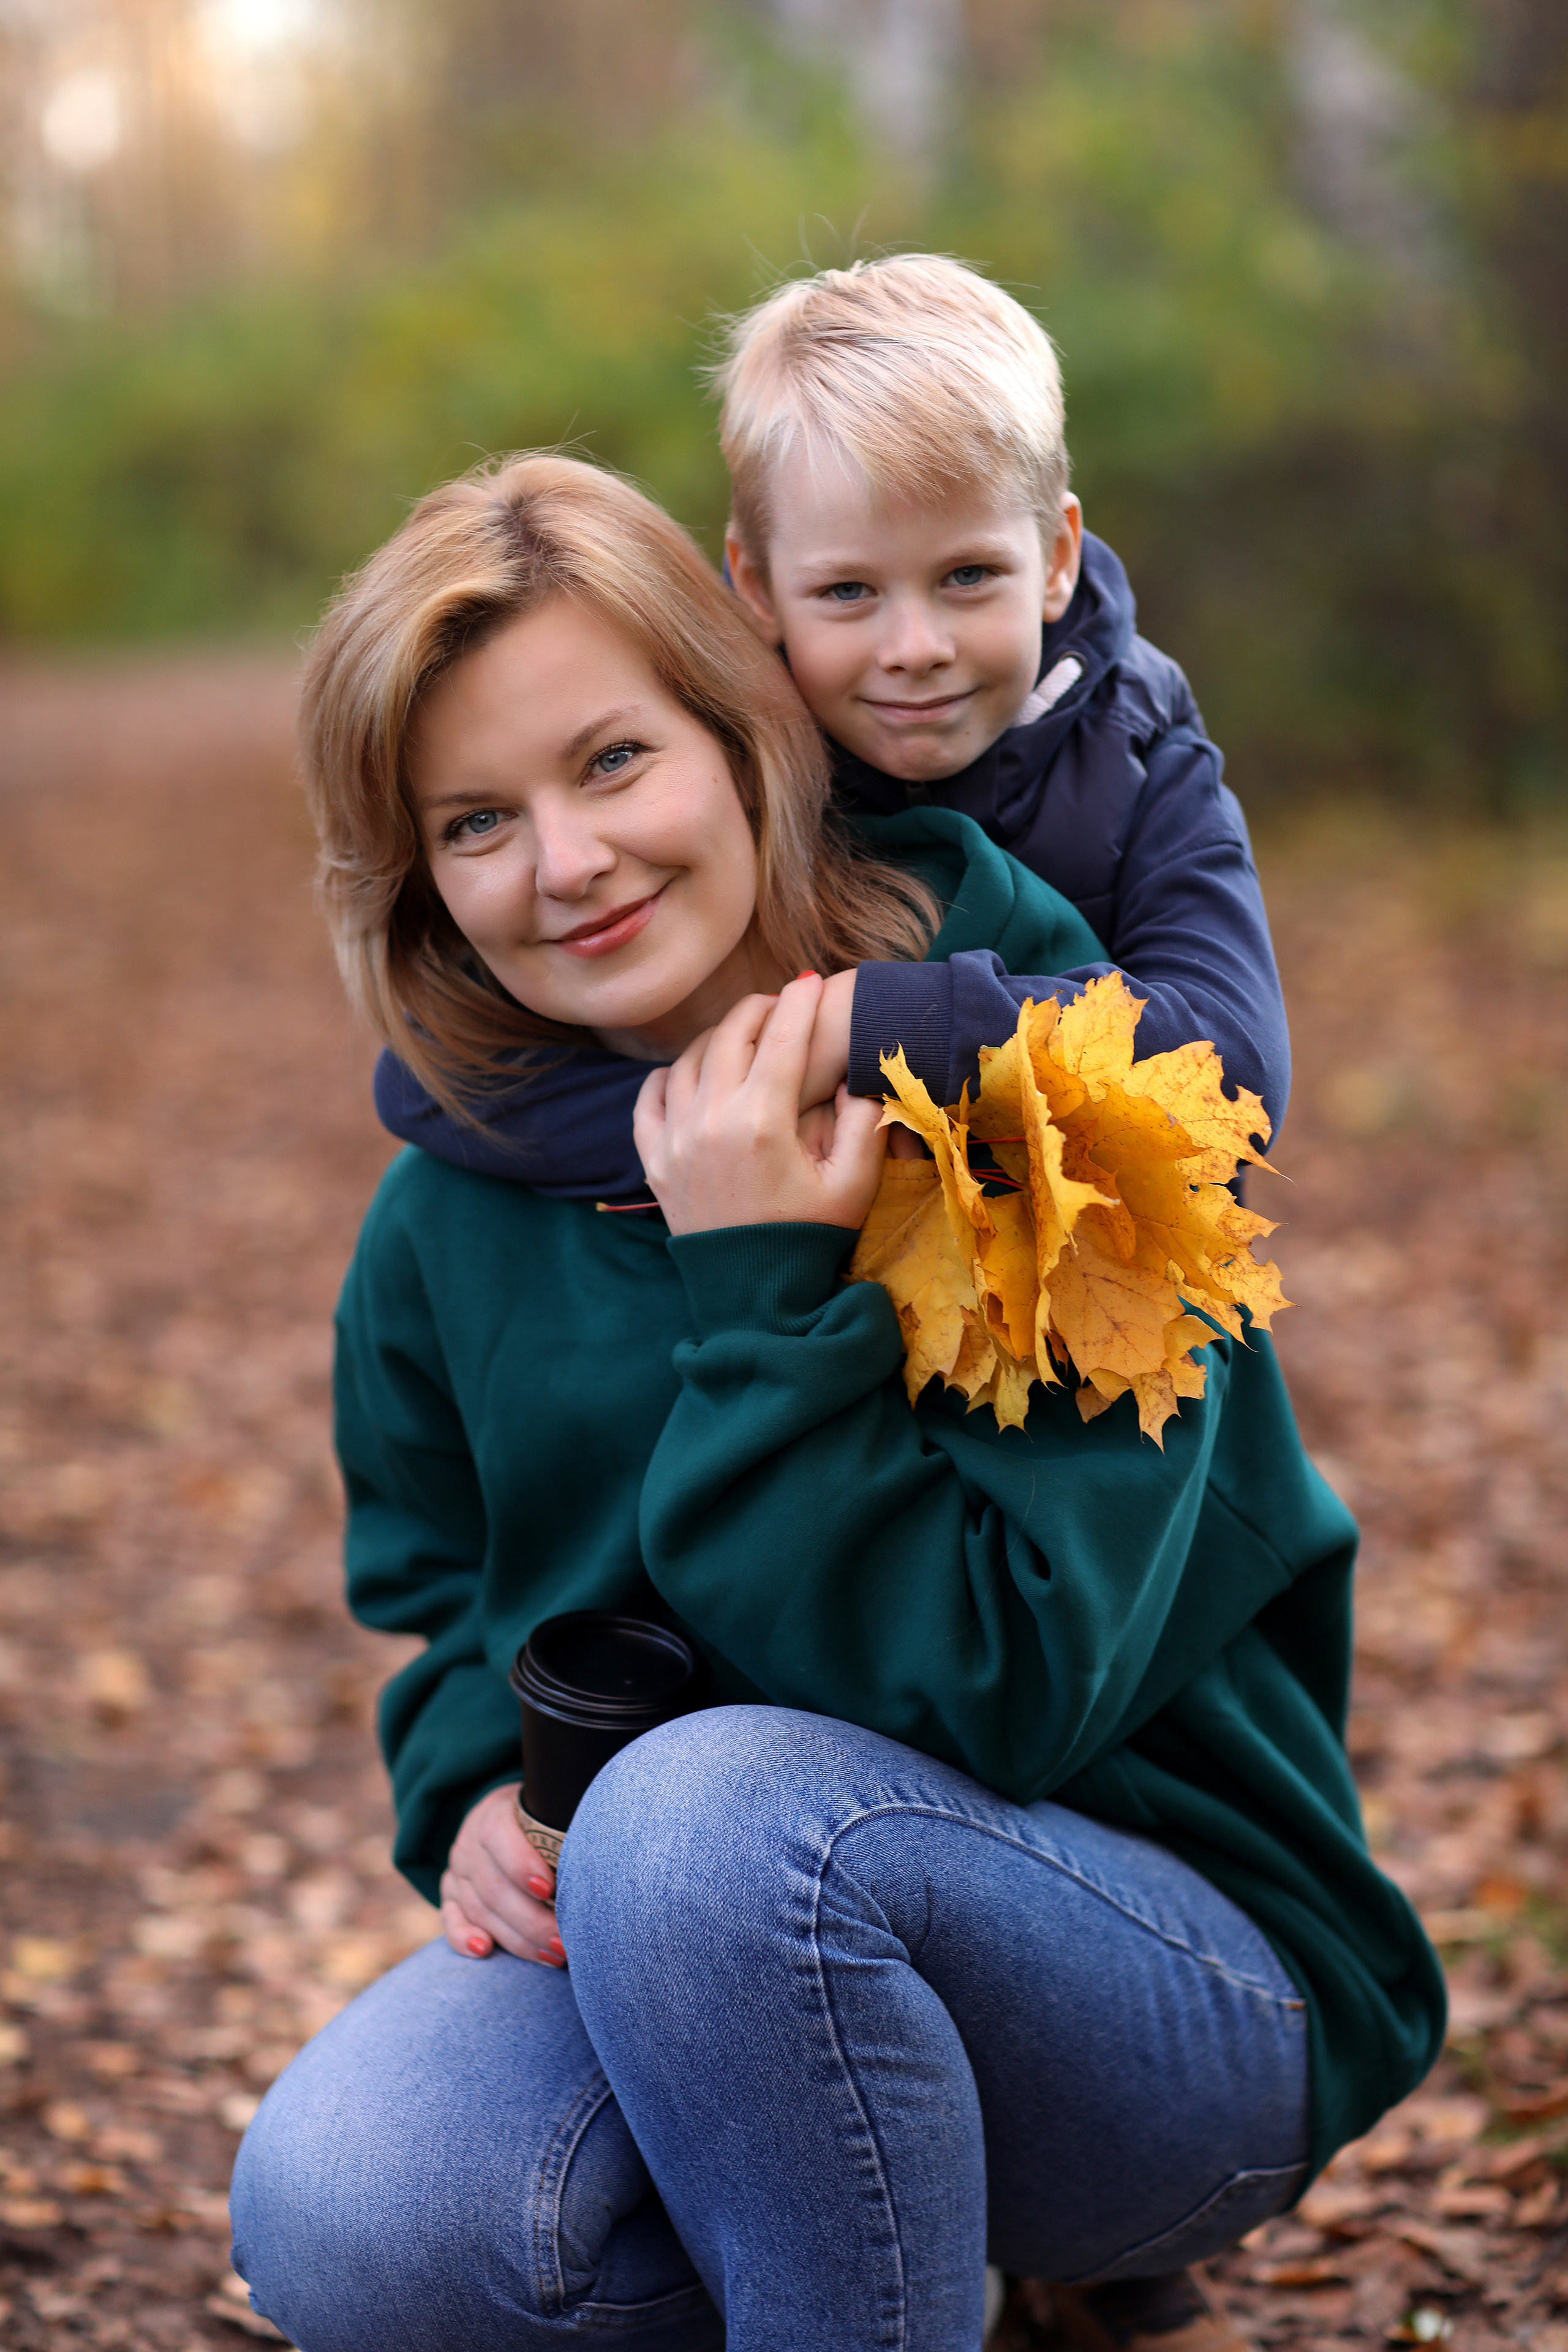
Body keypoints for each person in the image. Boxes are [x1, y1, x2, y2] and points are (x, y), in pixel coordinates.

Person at [228, 454, 1444, 2352]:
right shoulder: (450, 1208)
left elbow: (1004, 1692)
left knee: (705, 1822)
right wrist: (469, 1778)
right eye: (478, 820)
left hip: (1174, 1983)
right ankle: (855, 2260)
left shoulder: (1068, 1092)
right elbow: (451, 1577)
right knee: (350, 2217)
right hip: (697, 1964)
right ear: (422, 880)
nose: (566, 865)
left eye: (615, 762)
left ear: (747, 735)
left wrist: (763, 1290)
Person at [374, 255, 1287, 1221]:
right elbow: (433, 1077)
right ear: (758, 585)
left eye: (969, 576)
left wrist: (870, 1030)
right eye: (848, 591)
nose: (914, 649)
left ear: (1056, 557)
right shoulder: (731, 740)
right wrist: (728, 1136)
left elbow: (1236, 1077)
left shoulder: (1138, 747)